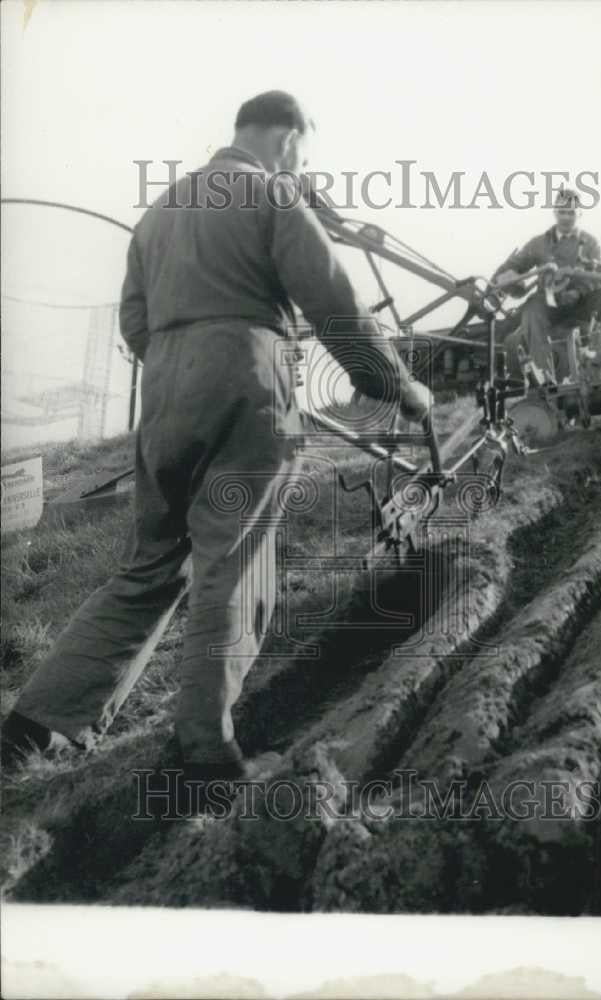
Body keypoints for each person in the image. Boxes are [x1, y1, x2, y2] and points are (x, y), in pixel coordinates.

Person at [2, 91, 431, 788]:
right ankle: (206, 751)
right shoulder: (273, 198)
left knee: (148, 567)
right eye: (303, 152)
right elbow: (334, 306)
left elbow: (134, 324)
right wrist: (397, 387)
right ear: (289, 138)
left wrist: (184, 362)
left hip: (165, 399)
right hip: (245, 389)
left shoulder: (160, 211)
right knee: (233, 563)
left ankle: (34, 724)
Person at [493, 187, 601, 385]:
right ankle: (544, 378)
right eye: (562, 212)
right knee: (531, 309)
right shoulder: (538, 243)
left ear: (579, 213)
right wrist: (506, 278)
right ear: (555, 212)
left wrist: (579, 291)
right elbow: (512, 267)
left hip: (582, 304)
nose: (566, 218)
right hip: (549, 306)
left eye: (571, 213)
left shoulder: (590, 243)